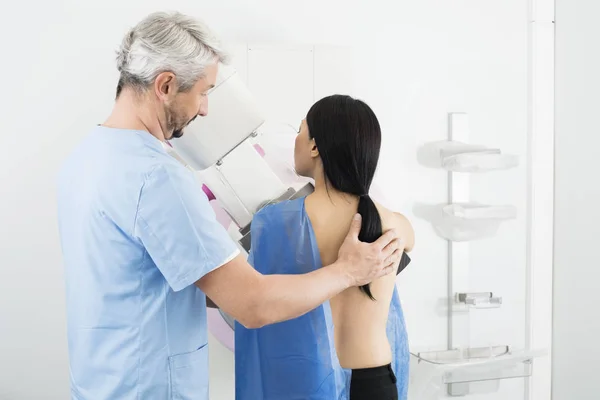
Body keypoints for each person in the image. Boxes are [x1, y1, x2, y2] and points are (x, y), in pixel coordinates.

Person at [55, 12, 404, 400]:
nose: (204, 109)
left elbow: (144, 280)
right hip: (150, 388)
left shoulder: (86, 158)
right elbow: (251, 306)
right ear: (166, 85)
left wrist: (237, 271)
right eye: (203, 92)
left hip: (99, 382)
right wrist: (346, 271)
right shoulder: (159, 178)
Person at [235, 95, 415, 400]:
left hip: (309, 382)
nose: (295, 141)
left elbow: (254, 296)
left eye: (300, 131)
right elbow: (407, 244)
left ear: (315, 147)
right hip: (378, 381)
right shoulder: (393, 223)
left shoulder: (275, 223)